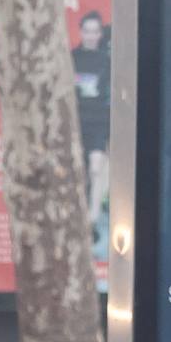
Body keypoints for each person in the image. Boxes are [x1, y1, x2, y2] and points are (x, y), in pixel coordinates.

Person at [73, 12, 110, 217]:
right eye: (87, 31)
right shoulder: (71, 58)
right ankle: (78, 211)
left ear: (99, 33)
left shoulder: (107, 61)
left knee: (96, 168)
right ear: (81, 32)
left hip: (98, 121)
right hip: (75, 122)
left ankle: (93, 216)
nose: (90, 36)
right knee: (78, 171)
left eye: (95, 31)